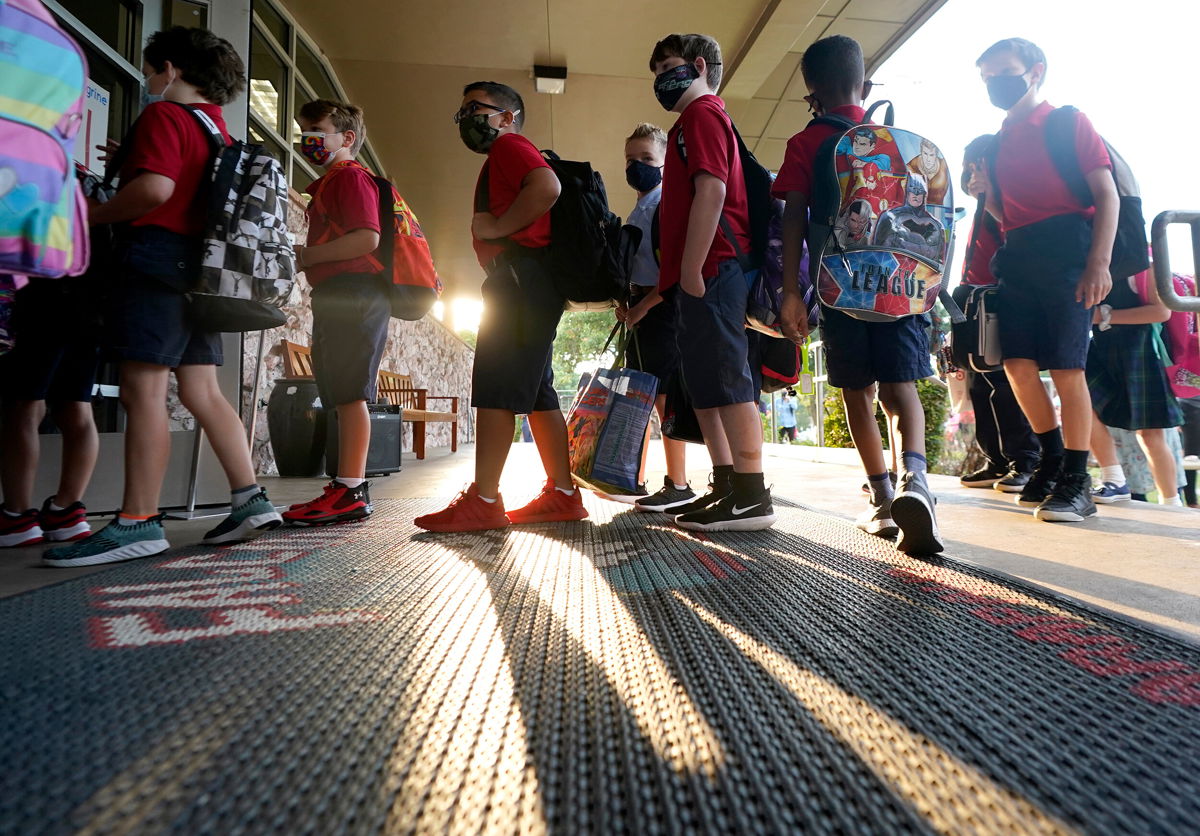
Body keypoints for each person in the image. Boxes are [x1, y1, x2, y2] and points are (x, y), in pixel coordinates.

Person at [44, 27, 281, 568]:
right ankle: (249, 498)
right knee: (202, 389)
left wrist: (89, 214)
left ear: (170, 69)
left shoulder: (163, 116)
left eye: (153, 70)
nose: (150, 80)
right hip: (201, 271)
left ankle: (137, 521)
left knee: (141, 389)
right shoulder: (216, 130)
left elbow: (155, 191)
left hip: (154, 261)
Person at [776, 34, 942, 555]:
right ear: (865, 86)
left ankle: (881, 499)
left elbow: (794, 221)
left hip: (841, 285)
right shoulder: (901, 142)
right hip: (900, 283)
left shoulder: (805, 143)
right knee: (901, 391)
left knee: (857, 392)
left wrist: (790, 292)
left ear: (811, 94)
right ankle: (916, 479)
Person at [415, 82, 586, 532]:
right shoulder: (508, 153)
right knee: (537, 392)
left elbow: (546, 186)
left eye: (475, 108)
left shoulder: (510, 146)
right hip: (531, 282)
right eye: (462, 109)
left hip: (518, 280)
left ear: (507, 116)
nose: (465, 117)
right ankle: (563, 494)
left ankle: (484, 500)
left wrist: (497, 228)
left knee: (496, 384)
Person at [975, 38, 1118, 523]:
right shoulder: (997, 142)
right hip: (1019, 256)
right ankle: (1053, 460)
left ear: (1035, 72)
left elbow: (1107, 194)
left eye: (1004, 73)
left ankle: (1078, 479)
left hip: (1068, 252)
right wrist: (987, 195)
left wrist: (1099, 264)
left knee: (1065, 367)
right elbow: (1005, 216)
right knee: (1016, 364)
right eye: (987, 77)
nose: (995, 84)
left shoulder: (1067, 122)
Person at [646, 33, 774, 532]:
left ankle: (751, 493)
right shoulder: (690, 121)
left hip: (714, 266)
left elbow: (713, 190)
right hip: (703, 272)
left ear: (699, 66)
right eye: (655, 71)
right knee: (707, 382)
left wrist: (693, 267)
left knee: (728, 379)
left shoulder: (702, 115)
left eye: (668, 66)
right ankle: (727, 485)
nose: (660, 78)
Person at [284, 99, 387, 526]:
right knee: (339, 392)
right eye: (303, 131)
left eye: (316, 130)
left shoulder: (350, 178)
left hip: (355, 293)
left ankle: (351, 488)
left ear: (346, 138)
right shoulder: (329, 182)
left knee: (349, 393)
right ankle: (346, 485)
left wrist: (306, 255)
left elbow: (367, 238)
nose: (308, 139)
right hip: (339, 294)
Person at [614, 123, 697, 513]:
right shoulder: (642, 204)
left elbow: (673, 271)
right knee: (646, 396)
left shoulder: (665, 203)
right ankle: (635, 477)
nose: (637, 166)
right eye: (631, 159)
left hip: (660, 310)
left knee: (664, 398)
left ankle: (678, 483)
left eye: (647, 158)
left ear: (665, 162)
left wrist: (641, 308)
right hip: (641, 309)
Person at [955, 135, 1040, 492]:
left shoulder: (1010, 202)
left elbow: (1018, 238)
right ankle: (997, 459)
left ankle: (1026, 460)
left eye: (979, 165)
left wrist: (989, 199)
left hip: (999, 301)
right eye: (970, 167)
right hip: (975, 302)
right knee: (979, 383)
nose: (973, 174)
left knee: (1004, 384)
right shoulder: (980, 206)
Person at [0, 279, 100, 546]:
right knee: (77, 404)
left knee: (24, 404)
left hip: (39, 293)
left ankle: (16, 517)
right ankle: (66, 513)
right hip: (91, 295)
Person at [1087, 267, 1184, 505]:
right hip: (1099, 351)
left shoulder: (1144, 265)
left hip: (1139, 353)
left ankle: (1171, 502)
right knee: (1083, 411)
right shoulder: (1082, 262)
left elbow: (1161, 312)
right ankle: (1113, 479)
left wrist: (1103, 315)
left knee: (1150, 434)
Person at [872, 172, 945, 262]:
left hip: (921, 271)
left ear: (924, 194)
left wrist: (904, 244)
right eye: (913, 190)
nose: (916, 194)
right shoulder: (889, 216)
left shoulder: (936, 225)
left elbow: (938, 259)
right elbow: (877, 250)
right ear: (907, 192)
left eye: (920, 191)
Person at [906, 138, 950, 205]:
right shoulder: (911, 167)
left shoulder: (944, 165)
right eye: (925, 154)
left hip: (939, 212)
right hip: (915, 214)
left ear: (936, 154)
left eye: (931, 155)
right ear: (921, 152)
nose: (928, 159)